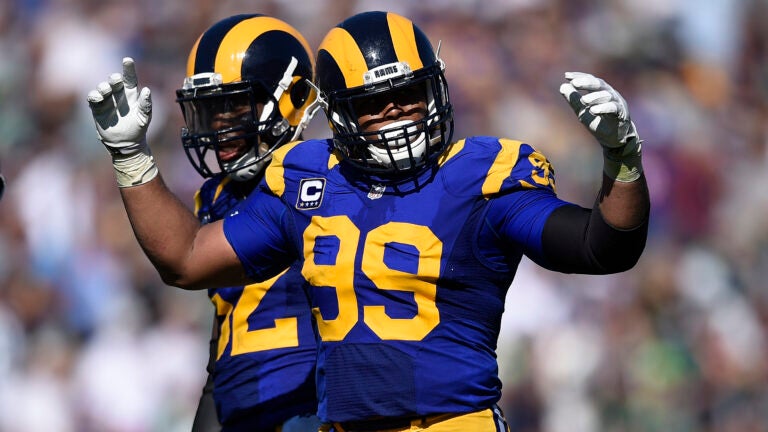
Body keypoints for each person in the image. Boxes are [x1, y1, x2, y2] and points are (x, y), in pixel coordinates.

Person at [87, 10, 649, 432]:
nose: (395, 114)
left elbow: (602, 248)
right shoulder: (306, 180)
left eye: (407, 95)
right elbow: (186, 260)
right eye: (371, 104)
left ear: (435, 88)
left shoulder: (482, 175)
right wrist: (132, 157)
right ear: (336, 114)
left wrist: (621, 161)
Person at [94, 14, 322, 432]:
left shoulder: (327, 180)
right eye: (211, 108)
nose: (220, 123)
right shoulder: (215, 197)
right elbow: (227, 336)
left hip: (315, 407)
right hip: (243, 405)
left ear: (292, 97)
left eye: (235, 104)